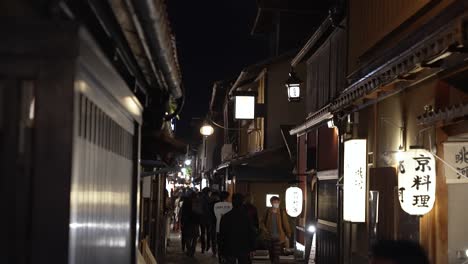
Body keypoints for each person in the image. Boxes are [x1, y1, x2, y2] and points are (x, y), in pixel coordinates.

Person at [219, 193, 256, 264]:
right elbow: (251, 233)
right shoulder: (247, 217)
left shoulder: (226, 217)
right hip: (244, 248)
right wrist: (252, 248)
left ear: (232, 202)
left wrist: (221, 251)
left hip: (229, 247)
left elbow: (222, 235)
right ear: (242, 202)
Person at [262, 196, 291, 264]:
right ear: (271, 203)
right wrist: (265, 230)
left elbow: (286, 223)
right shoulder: (267, 212)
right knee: (271, 255)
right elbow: (262, 222)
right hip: (269, 237)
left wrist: (288, 234)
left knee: (277, 256)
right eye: (274, 202)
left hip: (279, 237)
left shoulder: (281, 212)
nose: (276, 203)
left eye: (277, 202)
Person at [214, 191, 232, 263]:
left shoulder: (216, 205)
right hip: (228, 228)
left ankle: (220, 260)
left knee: (220, 245)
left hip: (218, 227)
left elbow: (216, 216)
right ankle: (227, 259)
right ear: (227, 197)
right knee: (228, 244)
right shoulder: (230, 205)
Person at [199, 187, 213, 254]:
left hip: (202, 218)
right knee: (208, 232)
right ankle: (208, 246)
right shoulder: (210, 199)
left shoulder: (200, 199)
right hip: (209, 218)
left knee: (202, 233)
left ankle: (203, 247)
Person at [209, 191, 220, 257]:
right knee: (217, 238)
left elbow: (209, 214)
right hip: (218, 223)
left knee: (214, 238)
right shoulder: (221, 204)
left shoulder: (211, 204)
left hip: (213, 223)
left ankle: (214, 252)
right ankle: (216, 251)